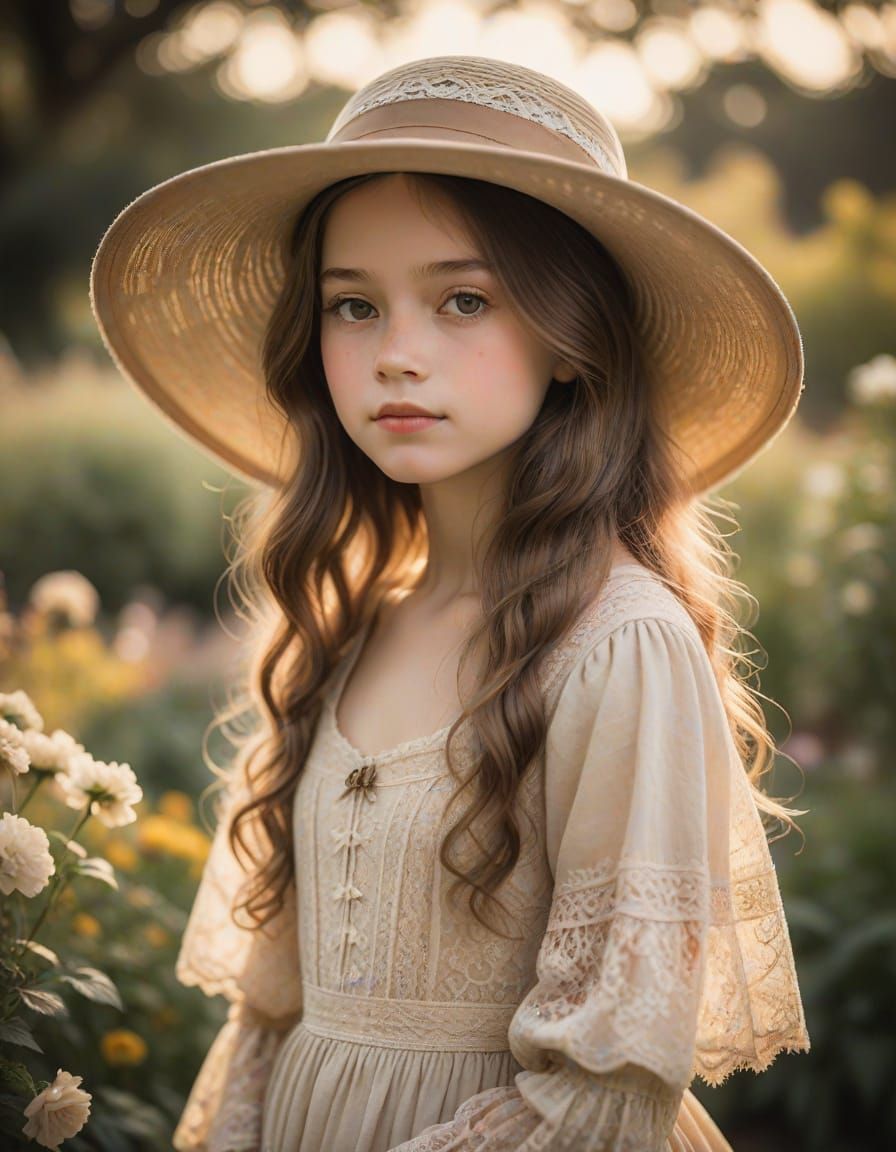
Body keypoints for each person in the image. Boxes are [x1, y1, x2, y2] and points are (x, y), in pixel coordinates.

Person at [89, 54, 811, 1152]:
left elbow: (603, 1088)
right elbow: (269, 1022)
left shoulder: (619, 647)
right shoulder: (349, 630)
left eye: (462, 299)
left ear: (570, 340)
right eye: (352, 305)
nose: (395, 356)